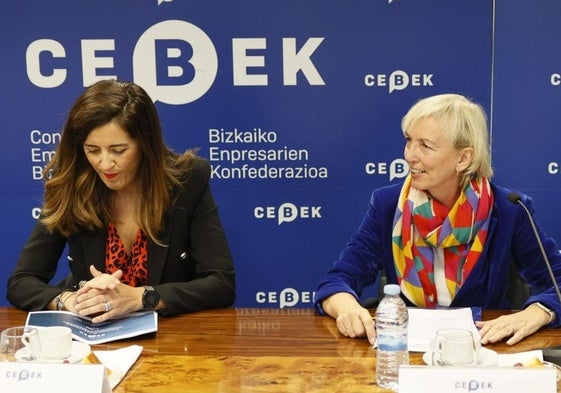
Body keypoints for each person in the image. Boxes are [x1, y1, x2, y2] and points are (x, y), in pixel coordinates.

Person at [314, 93, 561, 346]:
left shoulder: (508, 210)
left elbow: (558, 280)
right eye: (409, 141)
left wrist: (536, 313)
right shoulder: (388, 205)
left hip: (483, 352)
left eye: (425, 146)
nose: (409, 155)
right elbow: (337, 280)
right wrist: (346, 307)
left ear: (463, 158)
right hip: (406, 351)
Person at [7, 79, 236, 323]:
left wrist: (142, 297)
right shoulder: (73, 184)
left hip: (172, 339)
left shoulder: (187, 181)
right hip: (92, 339)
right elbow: (21, 282)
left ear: (145, 145)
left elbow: (221, 284)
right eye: (93, 150)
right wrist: (69, 301)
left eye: (118, 150)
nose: (105, 164)